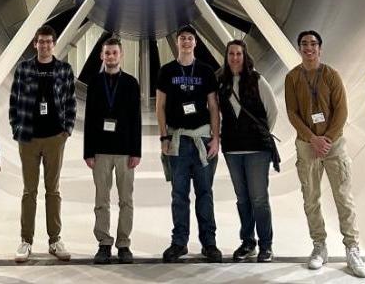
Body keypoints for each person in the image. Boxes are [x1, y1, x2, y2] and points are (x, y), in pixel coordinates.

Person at [285, 30, 365, 276]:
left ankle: (352, 247)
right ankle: (319, 245)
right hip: (307, 145)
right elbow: (293, 113)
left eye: (313, 44)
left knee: (343, 197)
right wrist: (313, 139)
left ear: (320, 48)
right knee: (311, 197)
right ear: (300, 49)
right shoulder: (293, 78)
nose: (308, 48)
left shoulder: (331, 75)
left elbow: (341, 110)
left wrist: (327, 139)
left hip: (334, 145)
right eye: (304, 44)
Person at [9, 24, 77, 262]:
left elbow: (70, 101)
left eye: (49, 41)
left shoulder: (64, 70)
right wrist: (16, 128)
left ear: (53, 44)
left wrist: (66, 130)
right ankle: (25, 240)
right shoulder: (24, 69)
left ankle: (55, 240)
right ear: (34, 44)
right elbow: (14, 101)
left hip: (54, 138)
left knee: (53, 191)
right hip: (28, 137)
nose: (45, 45)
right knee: (29, 191)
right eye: (41, 41)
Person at [156, 24, 223, 263]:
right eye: (182, 38)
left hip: (202, 140)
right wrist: (163, 136)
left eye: (190, 38)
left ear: (195, 43)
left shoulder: (205, 71)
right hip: (177, 140)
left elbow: (214, 107)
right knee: (179, 194)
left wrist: (215, 138)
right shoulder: (166, 71)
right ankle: (179, 242)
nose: (186, 42)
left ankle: (209, 243)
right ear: (177, 42)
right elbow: (160, 106)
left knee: (205, 193)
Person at [217, 39, 279, 263]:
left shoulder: (257, 80)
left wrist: (260, 135)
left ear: (245, 56)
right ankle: (247, 242)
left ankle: (266, 245)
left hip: (256, 150)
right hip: (233, 150)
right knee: (242, 199)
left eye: (239, 54)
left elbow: (273, 111)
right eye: (231, 54)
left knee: (259, 199)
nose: (235, 58)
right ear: (226, 57)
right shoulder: (221, 82)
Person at [82, 37, 142, 265]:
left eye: (114, 53)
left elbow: (136, 119)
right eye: (107, 53)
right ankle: (104, 243)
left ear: (121, 55)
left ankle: (124, 244)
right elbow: (89, 119)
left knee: (126, 200)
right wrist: (88, 152)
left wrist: (136, 151)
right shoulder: (95, 83)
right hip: (101, 151)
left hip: (125, 151)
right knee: (101, 200)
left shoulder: (130, 83)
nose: (110, 57)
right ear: (101, 56)